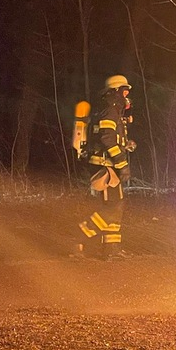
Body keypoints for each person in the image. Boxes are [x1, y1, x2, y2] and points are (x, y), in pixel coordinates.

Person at [75, 74, 134, 260]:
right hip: (105, 167)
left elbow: (112, 138)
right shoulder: (110, 111)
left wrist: (125, 146)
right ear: (115, 92)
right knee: (113, 207)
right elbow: (107, 138)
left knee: (116, 206)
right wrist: (122, 164)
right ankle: (79, 237)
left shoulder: (112, 111)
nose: (126, 96)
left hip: (109, 167)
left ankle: (111, 248)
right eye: (124, 91)